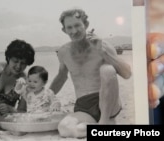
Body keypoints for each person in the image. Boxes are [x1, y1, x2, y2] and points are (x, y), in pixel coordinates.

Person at [49, 8, 132, 138]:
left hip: (109, 102)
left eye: (77, 25)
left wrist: (104, 52)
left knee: (107, 69)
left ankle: (104, 122)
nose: (74, 31)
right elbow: (61, 77)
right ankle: (102, 127)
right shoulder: (63, 52)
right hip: (84, 106)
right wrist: (46, 96)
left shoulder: (104, 45)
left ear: (86, 25)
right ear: (64, 30)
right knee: (64, 128)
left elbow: (127, 74)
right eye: (69, 27)